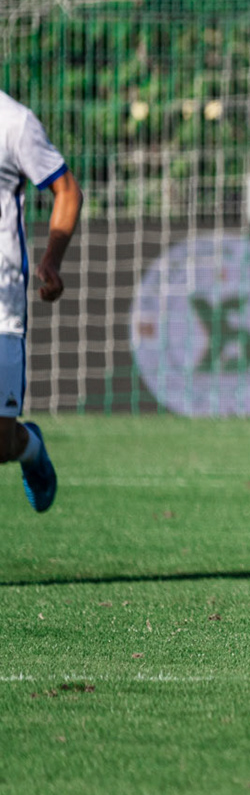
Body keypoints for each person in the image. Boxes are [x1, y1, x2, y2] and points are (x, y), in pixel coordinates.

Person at [0, 91, 80, 513]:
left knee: (0, 441)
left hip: (3, 306)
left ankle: (29, 448)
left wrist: (51, 262)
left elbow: (66, 191)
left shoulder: (14, 121)